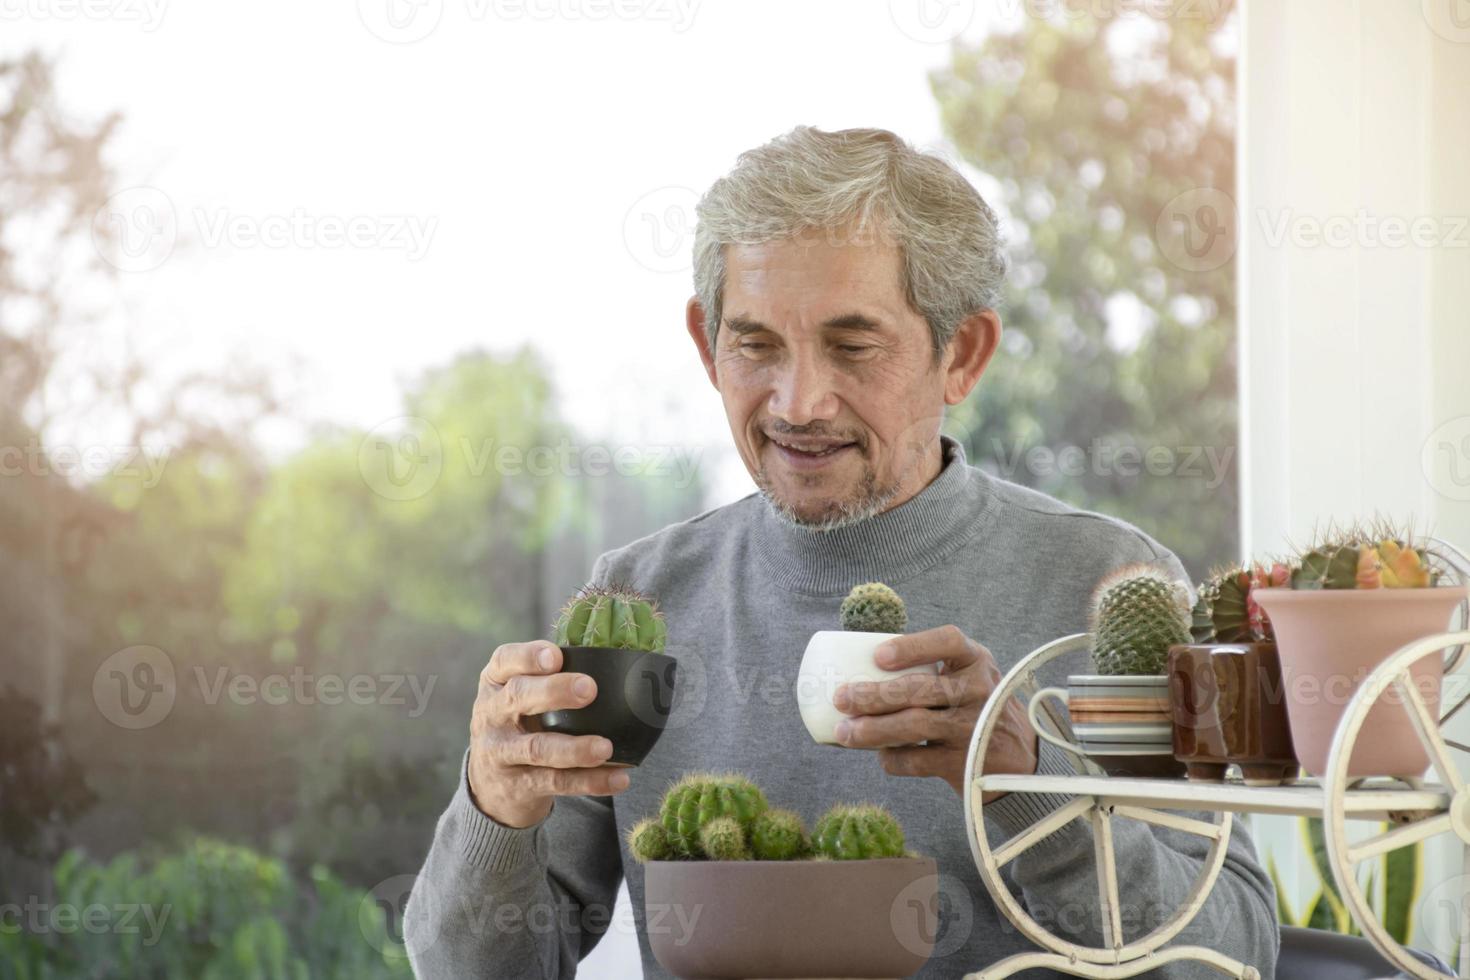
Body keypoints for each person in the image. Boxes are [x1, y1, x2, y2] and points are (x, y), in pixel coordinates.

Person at [405, 125, 1278, 978]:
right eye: (755, 344)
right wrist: (494, 805)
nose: (800, 401)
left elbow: (1234, 954)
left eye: (852, 346)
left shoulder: (1108, 590)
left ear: (962, 356)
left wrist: (1027, 784)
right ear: (708, 347)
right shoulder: (636, 599)